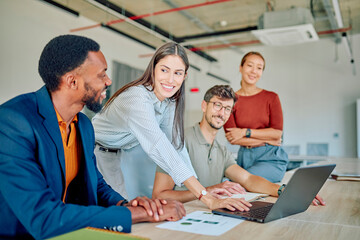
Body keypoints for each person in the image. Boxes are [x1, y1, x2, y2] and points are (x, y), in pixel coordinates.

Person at [0, 35, 185, 240]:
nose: (108, 81)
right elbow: (43, 217)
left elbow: (97, 185)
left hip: (70, 232)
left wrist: (126, 204)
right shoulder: (12, 122)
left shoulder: (84, 125)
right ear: (72, 81)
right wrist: (137, 214)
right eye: (101, 75)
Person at [92, 42, 248, 211]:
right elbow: (159, 145)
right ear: (153, 69)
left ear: (185, 76)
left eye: (178, 73)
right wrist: (206, 197)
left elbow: (176, 145)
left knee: (129, 208)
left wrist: (201, 191)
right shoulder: (137, 98)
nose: (170, 80)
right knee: (116, 211)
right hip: (93, 150)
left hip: (119, 152)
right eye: (164, 70)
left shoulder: (169, 101)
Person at [152, 85, 325, 207]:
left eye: (227, 108)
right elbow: (160, 195)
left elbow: (248, 179)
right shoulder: (179, 141)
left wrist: (285, 191)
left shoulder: (221, 150)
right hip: (182, 219)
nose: (222, 113)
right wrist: (209, 191)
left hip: (210, 215)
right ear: (204, 106)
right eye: (217, 105)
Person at [224, 51, 289, 183]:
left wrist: (244, 132)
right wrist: (265, 140)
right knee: (232, 185)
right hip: (244, 158)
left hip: (271, 158)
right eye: (250, 65)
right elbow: (233, 139)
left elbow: (277, 134)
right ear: (241, 68)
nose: (254, 71)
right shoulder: (230, 100)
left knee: (235, 184)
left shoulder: (271, 98)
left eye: (259, 68)